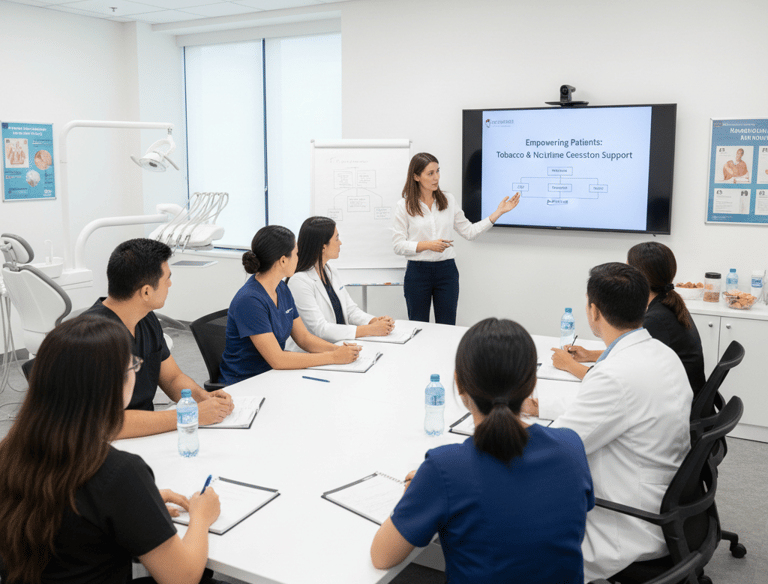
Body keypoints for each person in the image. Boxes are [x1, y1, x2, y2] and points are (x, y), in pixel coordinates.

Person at [0, 315, 221, 584]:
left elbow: (70, 509)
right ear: (111, 384)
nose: (136, 369)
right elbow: (182, 577)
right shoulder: (117, 471)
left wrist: (135, 501)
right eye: (133, 365)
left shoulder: (11, 449)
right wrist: (201, 515)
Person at [370, 318, 594, 583]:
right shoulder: (570, 446)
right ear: (532, 384)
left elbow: (381, 556)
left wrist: (419, 491)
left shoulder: (445, 469)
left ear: (459, 384)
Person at [523, 263, 692, 581]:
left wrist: (499, 428)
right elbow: (611, 406)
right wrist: (539, 406)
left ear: (593, 311)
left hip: (627, 519)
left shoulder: (616, 375)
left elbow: (553, 452)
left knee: (513, 518)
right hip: (667, 501)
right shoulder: (658, 352)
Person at [84, 238, 234, 439]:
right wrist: (190, 414)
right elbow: (107, 424)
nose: (170, 284)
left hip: (147, 432)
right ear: (146, 291)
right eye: (167, 279)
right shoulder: (93, 338)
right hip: (107, 445)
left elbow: (172, 379)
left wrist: (204, 399)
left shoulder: (146, 318)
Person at [552, 242, 706, 394]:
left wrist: (568, 365)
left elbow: (612, 382)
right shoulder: (666, 303)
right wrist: (590, 355)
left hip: (680, 406)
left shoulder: (655, 320)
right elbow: (631, 354)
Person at [219, 225, 361, 385]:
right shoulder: (250, 300)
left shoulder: (281, 288)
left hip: (273, 375)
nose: (299, 258)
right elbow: (278, 359)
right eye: (296, 254)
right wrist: (333, 357)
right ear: (283, 260)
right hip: (246, 382)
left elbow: (304, 338)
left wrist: (339, 350)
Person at [392, 152, 520, 325]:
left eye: (438, 171)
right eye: (430, 173)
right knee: (418, 325)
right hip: (417, 273)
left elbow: (470, 232)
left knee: (447, 326)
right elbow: (398, 245)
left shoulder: (448, 200)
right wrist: (427, 245)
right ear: (416, 176)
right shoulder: (404, 206)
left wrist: (498, 213)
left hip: (446, 272)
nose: (436, 177)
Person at [286, 216, 395, 346]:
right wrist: (369, 329)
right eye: (336, 238)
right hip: (315, 352)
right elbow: (320, 328)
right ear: (322, 247)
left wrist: (374, 321)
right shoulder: (299, 281)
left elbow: (350, 310)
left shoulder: (330, 270)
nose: (340, 243)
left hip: (340, 345)